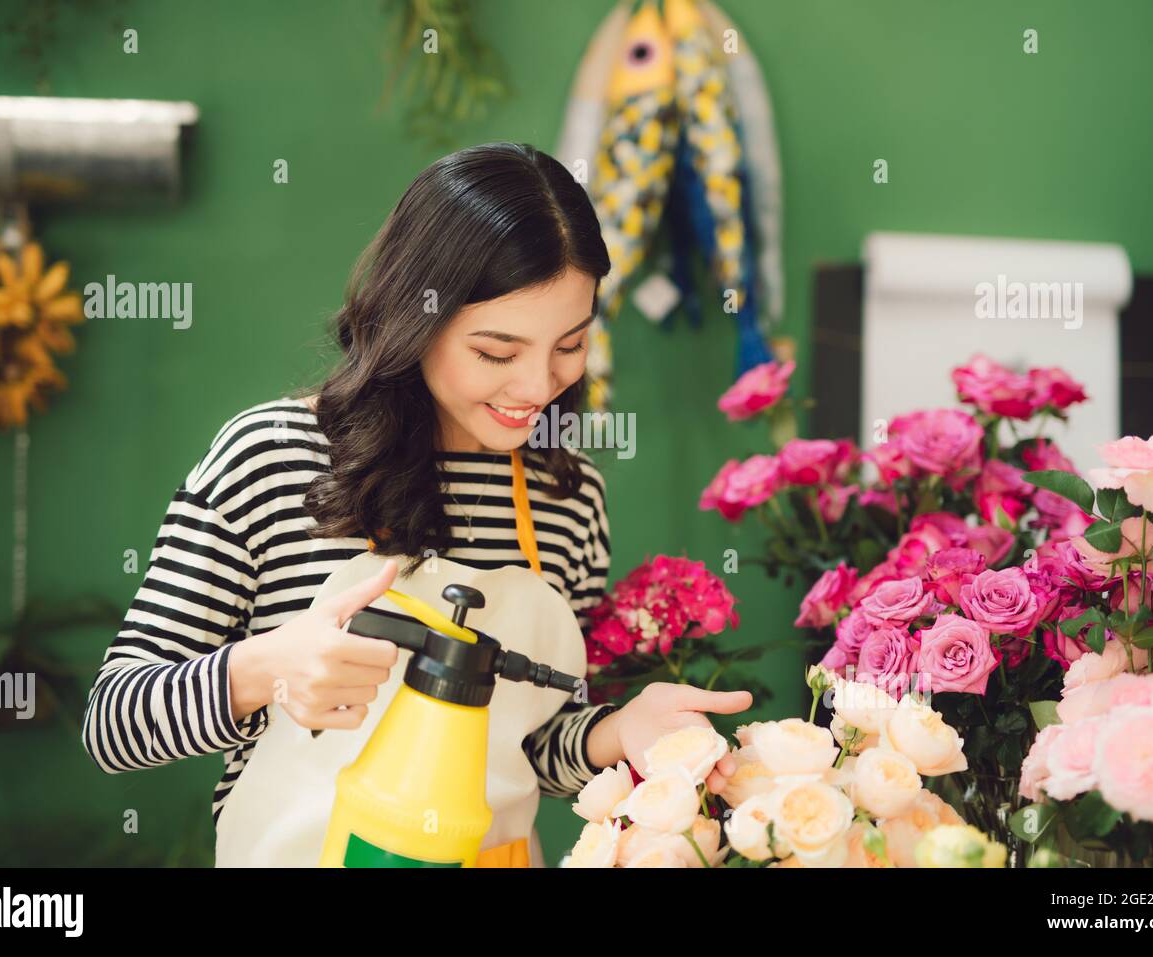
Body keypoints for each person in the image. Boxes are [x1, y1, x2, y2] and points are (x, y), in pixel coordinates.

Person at [81, 141, 750, 866]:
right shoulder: (271, 455)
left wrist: (619, 731)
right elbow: (114, 724)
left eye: (571, 344)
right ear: (414, 317)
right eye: (496, 352)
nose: (536, 386)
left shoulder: (569, 495)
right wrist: (264, 668)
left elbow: (533, 742)